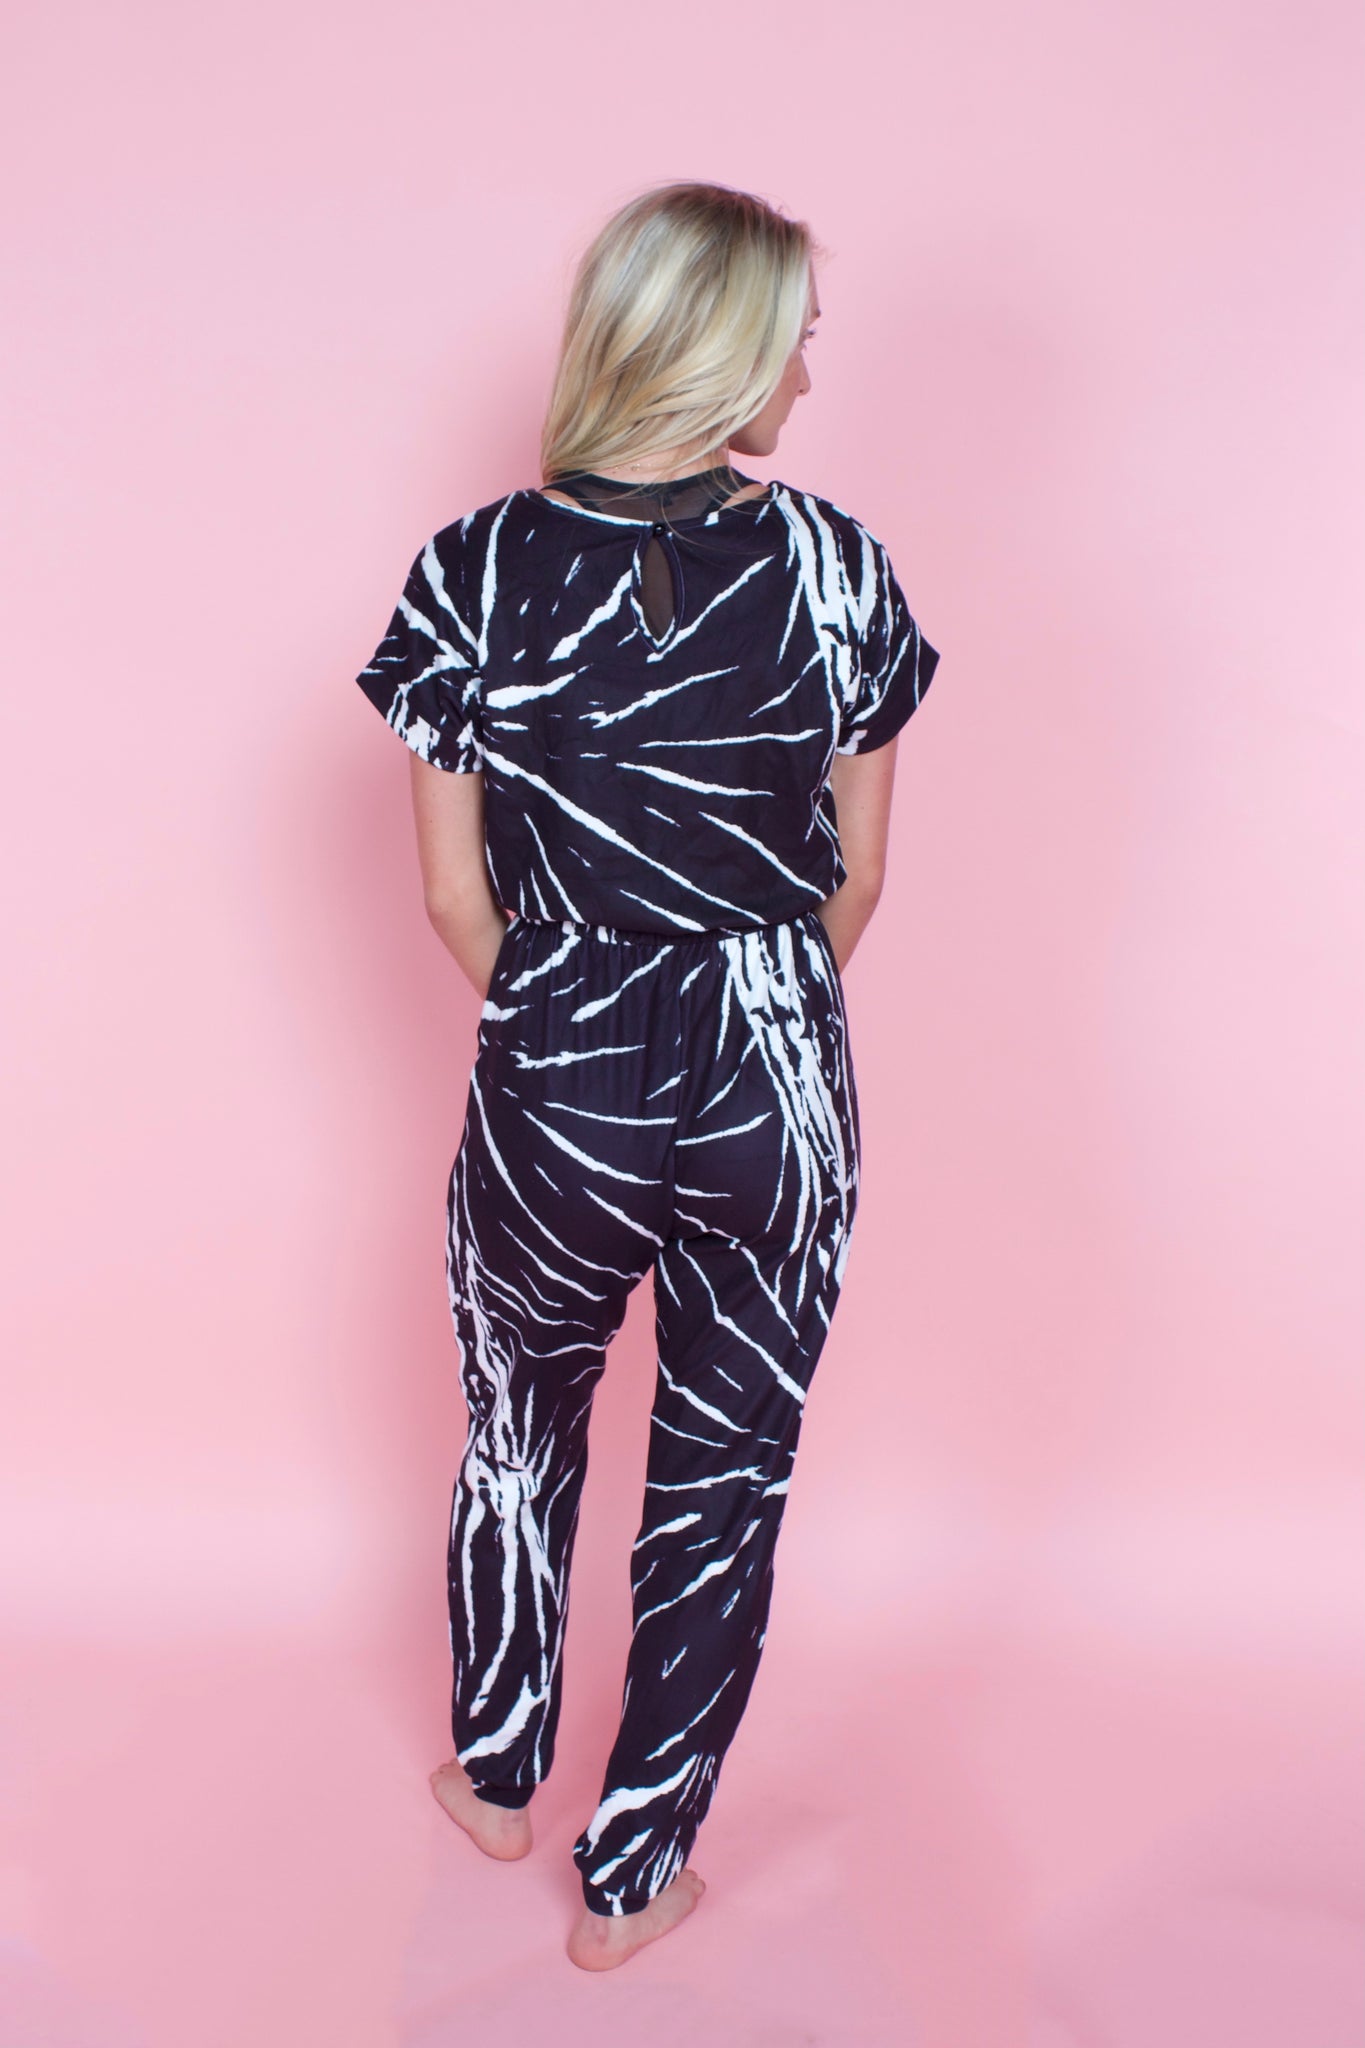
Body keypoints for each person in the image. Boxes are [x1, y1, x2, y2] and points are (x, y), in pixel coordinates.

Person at [353, 179, 942, 1971]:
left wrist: (576, 1020)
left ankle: (495, 1777)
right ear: (719, 349)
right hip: (777, 1063)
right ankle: (634, 1880)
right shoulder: (838, 566)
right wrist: (746, 1011)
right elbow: (857, 880)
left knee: (517, 1427)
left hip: (560, 1060)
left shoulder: (470, 571)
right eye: (794, 343)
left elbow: (451, 898)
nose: (807, 378)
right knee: (723, 1475)